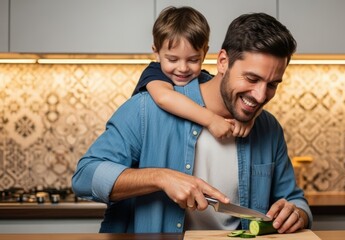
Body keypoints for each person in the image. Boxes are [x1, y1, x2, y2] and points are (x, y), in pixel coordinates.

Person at [72, 11, 312, 234]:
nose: (261, 96)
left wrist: (297, 213)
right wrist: (161, 177)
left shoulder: (268, 128)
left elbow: (293, 199)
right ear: (222, 62)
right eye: (251, 78)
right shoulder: (146, 109)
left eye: (272, 85)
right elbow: (85, 177)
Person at [132, 6, 253, 139]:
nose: (183, 68)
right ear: (157, 53)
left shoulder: (206, 80)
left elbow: (236, 97)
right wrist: (211, 120)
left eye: (193, 60)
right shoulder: (154, 72)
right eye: (173, 59)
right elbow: (164, 98)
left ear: (204, 53)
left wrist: (248, 119)